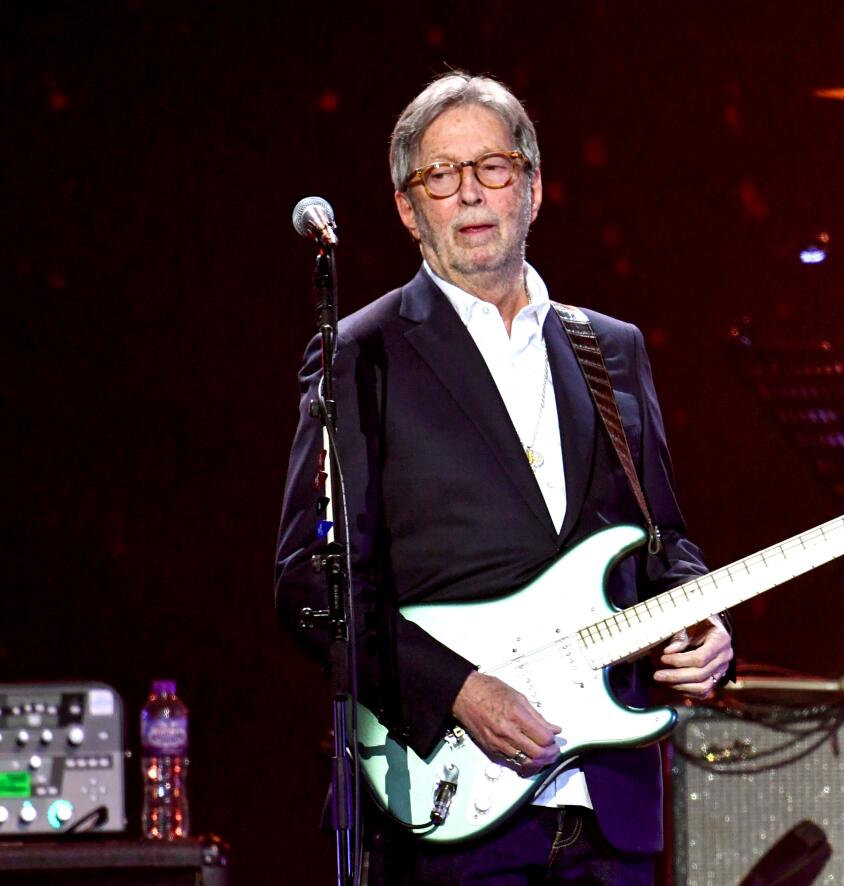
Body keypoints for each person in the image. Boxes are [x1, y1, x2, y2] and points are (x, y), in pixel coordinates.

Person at [275, 71, 733, 885]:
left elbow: (665, 541)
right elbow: (311, 584)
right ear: (409, 210)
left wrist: (701, 626)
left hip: (613, 807)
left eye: (492, 167)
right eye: (440, 176)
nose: (470, 194)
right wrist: (456, 690)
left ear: (534, 187)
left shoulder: (611, 348)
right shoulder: (362, 353)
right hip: (452, 810)